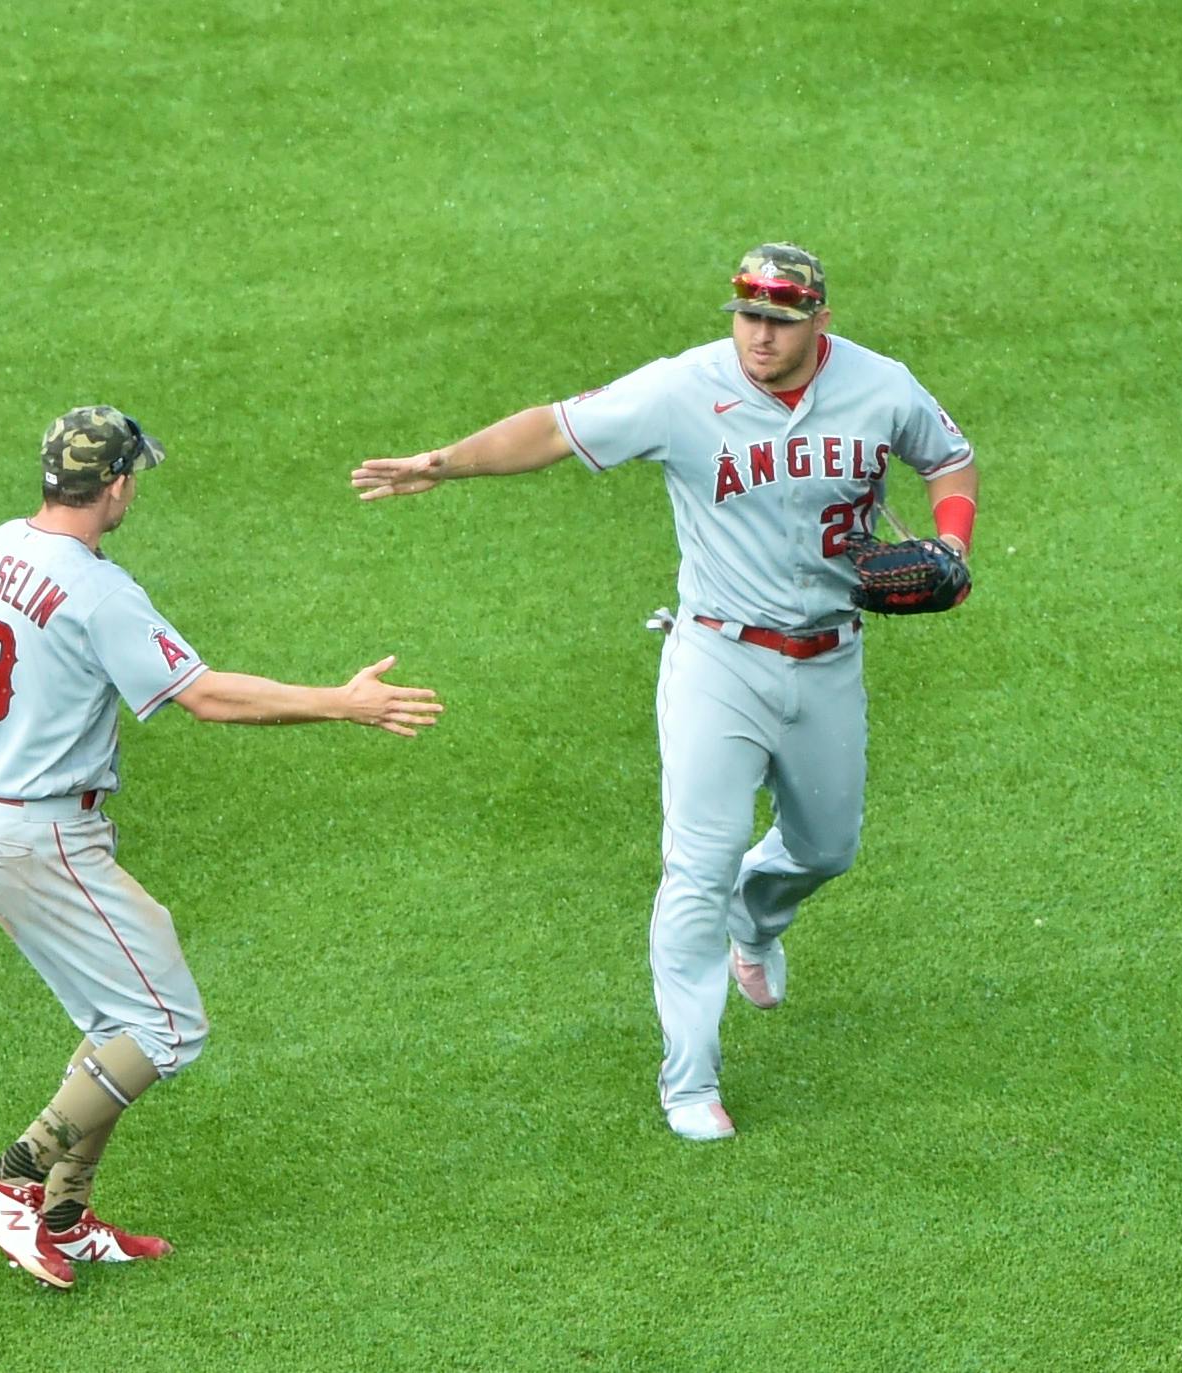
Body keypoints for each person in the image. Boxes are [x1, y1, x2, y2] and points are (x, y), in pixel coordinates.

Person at [352, 243, 977, 1142]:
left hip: (833, 655)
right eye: (747, 316)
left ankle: (754, 922)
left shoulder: (882, 385)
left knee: (827, 848)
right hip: (718, 659)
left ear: (820, 323)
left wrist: (953, 545)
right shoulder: (685, 388)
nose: (759, 335)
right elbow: (554, 428)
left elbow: (950, 461)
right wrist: (442, 463)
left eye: (780, 320)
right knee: (696, 866)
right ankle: (690, 1082)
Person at [0, 405, 443, 1287]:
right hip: (44, 833)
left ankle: (65, 1211)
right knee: (168, 1028)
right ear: (117, 484)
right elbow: (203, 695)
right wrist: (342, 701)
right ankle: (7, 1179)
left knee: (115, 1024)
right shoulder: (96, 590)